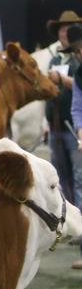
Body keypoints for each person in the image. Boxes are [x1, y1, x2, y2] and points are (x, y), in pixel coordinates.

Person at [45, 10, 82, 205]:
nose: (64, 33)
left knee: (79, 178)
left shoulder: (78, 62)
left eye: (69, 29)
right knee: (61, 178)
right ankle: (72, 222)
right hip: (57, 127)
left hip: (73, 130)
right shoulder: (55, 60)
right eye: (62, 29)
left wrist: (60, 79)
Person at [61, 23, 82, 268]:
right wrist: (80, 131)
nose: (78, 54)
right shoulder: (79, 75)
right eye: (75, 51)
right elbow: (77, 108)